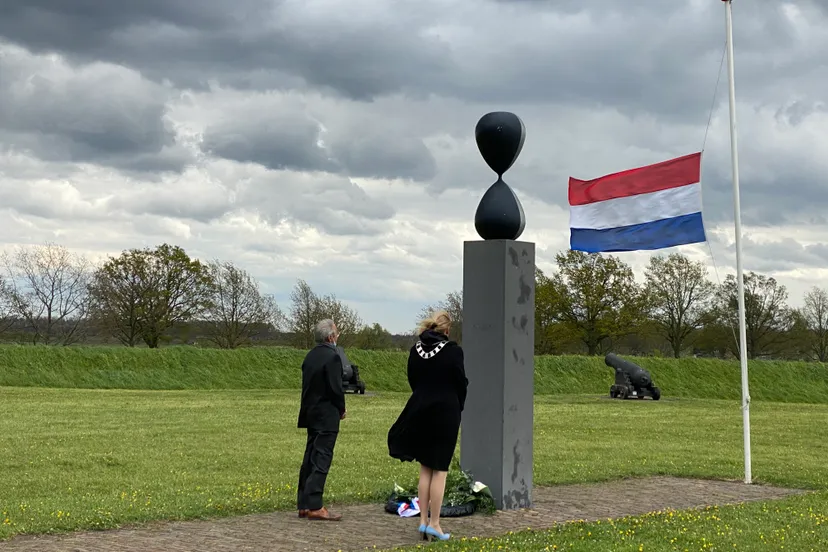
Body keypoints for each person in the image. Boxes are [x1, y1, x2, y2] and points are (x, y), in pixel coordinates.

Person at [387, 310, 468, 542]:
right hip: (445, 412)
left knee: (425, 467)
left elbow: (413, 380)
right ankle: (435, 523)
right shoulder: (453, 352)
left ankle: (422, 521)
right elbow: (460, 383)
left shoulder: (415, 351)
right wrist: (457, 404)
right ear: (447, 330)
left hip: (421, 410)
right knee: (440, 469)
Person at [296, 319, 346, 521]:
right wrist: (341, 408)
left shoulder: (310, 356)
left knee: (309, 457)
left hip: (311, 412)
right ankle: (315, 504)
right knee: (322, 457)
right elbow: (335, 388)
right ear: (331, 336)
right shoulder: (332, 357)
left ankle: (303, 503)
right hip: (327, 414)